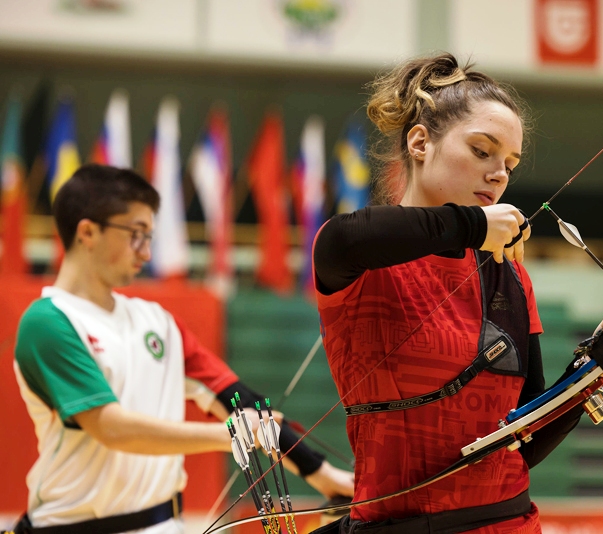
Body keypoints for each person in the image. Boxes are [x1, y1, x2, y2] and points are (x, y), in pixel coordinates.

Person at [312, 53, 603, 533]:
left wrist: (592, 369)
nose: (499, 174)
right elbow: (344, 238)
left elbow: (524, 441)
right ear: (420, 142)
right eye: (482, 151)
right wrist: (474, 225)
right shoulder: (362, 257)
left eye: (510, 165)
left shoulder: (509, 275)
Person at [12, 164, 353, 534]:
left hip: (164, 524)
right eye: (136, 235)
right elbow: (110, 427)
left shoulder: (157, 322)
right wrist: (229, 435)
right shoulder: (49, 321)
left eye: (150, 237)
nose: (146, 252)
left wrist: (322, 473)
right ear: (88, 232)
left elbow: (238, 400)